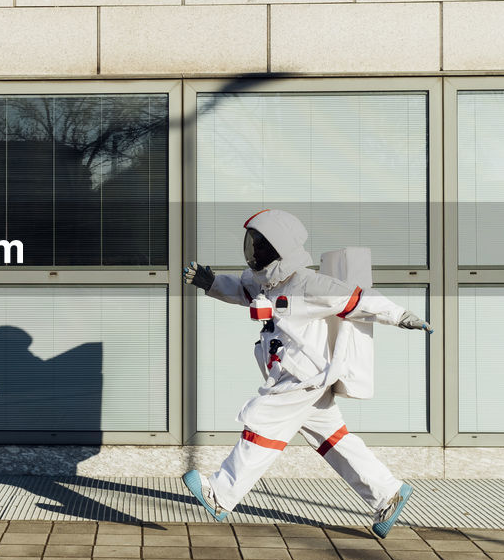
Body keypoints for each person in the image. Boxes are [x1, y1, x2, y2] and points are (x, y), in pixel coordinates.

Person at [182, 209, 433, 538]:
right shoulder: (263, 282)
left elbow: (359, 300)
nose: (255, 253)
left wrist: (402, 316)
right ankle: (387, 493)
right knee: (334, 440)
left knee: (261, 425)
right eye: (253, 245)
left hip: (303, 378)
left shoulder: (310, 284)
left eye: (262, 246)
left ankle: (221, 494)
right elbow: (239, 289)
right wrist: (211, 282)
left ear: (281, 249)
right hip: (292, 376)